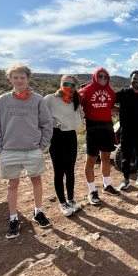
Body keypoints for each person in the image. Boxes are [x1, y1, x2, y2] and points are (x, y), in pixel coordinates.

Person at [0, 64, 53, 239]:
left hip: (33, 149)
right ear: (10, 79)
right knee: (12, 184)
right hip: (9, 150)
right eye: (16, 77)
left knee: (36, 180)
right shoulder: (2, 100)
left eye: (23, 78)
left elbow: (47, 125)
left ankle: (38, 211)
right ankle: (13, 218)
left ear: (28, 79)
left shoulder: (38, 100)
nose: (19, 80)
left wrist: (41, 147)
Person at [44, 75, 83, 216]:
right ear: (61, 84)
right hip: (56, 136)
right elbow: (41, 116)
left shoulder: (75, 100)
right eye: (66, 84)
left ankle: (71, 200)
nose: (69, 87)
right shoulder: (50, 99)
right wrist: (53, 123)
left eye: (72, 85)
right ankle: (62, 203)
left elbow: (79, 116)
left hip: (71, 136)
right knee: (59, 172)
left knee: (70, 170)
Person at [79, 67, 119, 205]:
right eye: (100, 76)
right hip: (93, 127)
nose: (103, 78)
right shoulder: (85, 91)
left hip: (107, 127)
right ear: (95, 76)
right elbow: (74, 102)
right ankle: (92, 191)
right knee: (91, 160)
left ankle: (107, 185)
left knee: (106, 158)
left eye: (105, 76)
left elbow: (110, 107)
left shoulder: (111, 92)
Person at [115, 70, 138, 190]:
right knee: (126, 157)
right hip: (127, 131)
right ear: (130, 79)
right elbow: (110, 100)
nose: (136, 81)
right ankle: (125, 179)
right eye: (134, 79)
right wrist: (117, 109)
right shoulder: (123, 93)